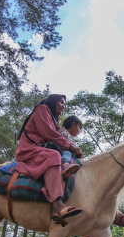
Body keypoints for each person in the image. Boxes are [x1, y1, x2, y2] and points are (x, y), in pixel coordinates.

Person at [15, 94, 83, 226]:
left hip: (41, 149)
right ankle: (57, 205)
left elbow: (56, 137)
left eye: (65, 104)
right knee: (54, 156)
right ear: (53, 101)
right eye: (61, 102)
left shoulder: (54, 120)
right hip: (30, 149)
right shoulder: (42, 109)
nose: (63, 106)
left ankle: (65, 171)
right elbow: (47, 133)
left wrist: (72, 150)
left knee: (72, 160)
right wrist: (71, 146)